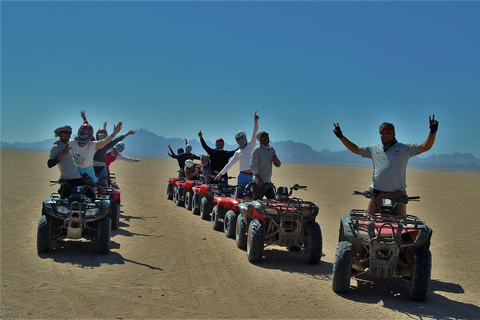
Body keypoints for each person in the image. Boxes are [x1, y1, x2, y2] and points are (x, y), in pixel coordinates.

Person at [333, 115, 439, 218]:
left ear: (394, 133)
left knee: (401, 226)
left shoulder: (404, 148)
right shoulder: (374, 149)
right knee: (368, 222)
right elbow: (356, 149)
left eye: (388, 132)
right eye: (382, 133)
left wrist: (432, 132)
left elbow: (426, 146)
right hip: (376, 195)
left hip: (397, 195)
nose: (385, 135)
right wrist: (341, 137)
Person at [80, 110, 136, 185]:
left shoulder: (107, 144)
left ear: (106, 137)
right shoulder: (93, 143)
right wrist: (84, 118)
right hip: (91, 167)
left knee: (104, 184)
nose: (101, 138)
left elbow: (117, 140)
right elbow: (88, 128)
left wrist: (127, 134)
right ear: (96, 136)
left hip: (102, 167)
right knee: (90, 184)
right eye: (100, 136)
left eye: (103, 136)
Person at [215, 112, 259, 196]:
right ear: (236, 141)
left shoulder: (251, 145)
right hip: (242, 176)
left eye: (242, 138)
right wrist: (220, 173)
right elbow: (230, 164)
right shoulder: (237, 152)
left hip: (252, 176)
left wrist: (256, 121)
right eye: (238, 139)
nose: (240, 140)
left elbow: (255, 133)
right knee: (238, 195)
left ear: (245, 137)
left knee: (252, 196)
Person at [47, 125, 93, 198]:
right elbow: (49, 164)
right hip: (67, 180)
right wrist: (61, 155)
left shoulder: (68, 145)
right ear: (59, 134)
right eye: (65, 132)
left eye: (69, 133)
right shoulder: (56, 148)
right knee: (65, 202)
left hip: (78, 178)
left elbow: (84, 139)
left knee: (91, 197)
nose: (68, 135)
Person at [250, 130, 281, 200]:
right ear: (259, 139)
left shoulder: (271, 149)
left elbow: (278, 164)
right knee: (256, 204)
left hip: (268, 183)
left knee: (273, 202)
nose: (266, 137)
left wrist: (276, 160)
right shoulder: (257, 150)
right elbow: (252, 166)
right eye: (263, 136)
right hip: (258, 184)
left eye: (267, 135)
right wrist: (260, 180)